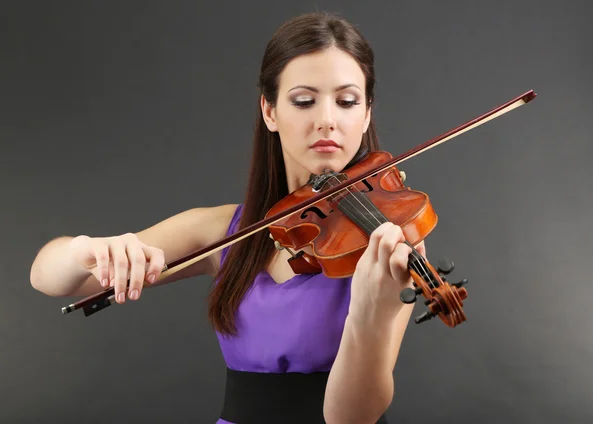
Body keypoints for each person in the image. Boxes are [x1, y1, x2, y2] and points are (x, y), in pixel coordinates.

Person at [30, 11, 425, 424]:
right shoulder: (224, 231)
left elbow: (351, 417)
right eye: (304, 100)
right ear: (269, 112)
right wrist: (87, 250)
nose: (327, 119)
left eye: (347, 101)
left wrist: (370, 311)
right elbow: (47, 277)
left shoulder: (389, 238)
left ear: (365, 115)